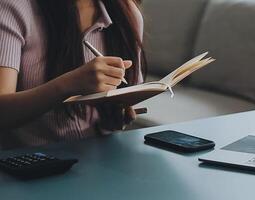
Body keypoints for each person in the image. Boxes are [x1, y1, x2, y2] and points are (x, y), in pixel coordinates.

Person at [0, 0, 146, 149]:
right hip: (31, 159)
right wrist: (67, 85)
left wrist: (119, 109)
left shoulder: (126, 12)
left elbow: (126, 92)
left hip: (103, 155)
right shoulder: (14, 7)